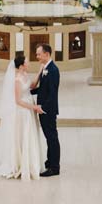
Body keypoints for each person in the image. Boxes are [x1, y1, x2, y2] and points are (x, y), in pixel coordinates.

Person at [0, 49, 44, 181]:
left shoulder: (25, 75)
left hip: (28, 109)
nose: (29, 63)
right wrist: (33, 107)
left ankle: (30, 162)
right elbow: (18, 101)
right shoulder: (17, 79)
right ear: (21, 65)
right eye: (27, 62)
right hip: (23, 112)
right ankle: (20, 164)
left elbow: (31, 86)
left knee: (30, 136)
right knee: (24, 137)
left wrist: (40, 73)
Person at [32, 42, 61, 177]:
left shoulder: (53, 70)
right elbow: (43, 90)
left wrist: (42, 108)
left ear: (46, 54)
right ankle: (50, 161)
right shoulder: (45, 67)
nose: (37, 56)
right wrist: (29, 92)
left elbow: (52, 93)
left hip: (47, 110)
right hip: (43, 109)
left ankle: (55, 167)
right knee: (49, 137)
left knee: (52, 138)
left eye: (39, 54)